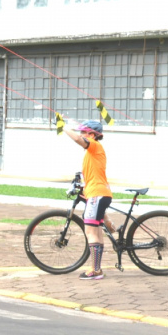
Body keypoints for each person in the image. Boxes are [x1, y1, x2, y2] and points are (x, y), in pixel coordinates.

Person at [65, 120, 112, 280]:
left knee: (91, 232)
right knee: (97, 231)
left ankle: (96, 270)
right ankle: (96, 268)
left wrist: (63, 126)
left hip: (97, 194)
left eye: (84, 132)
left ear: (92, 135)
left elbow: (78, 140)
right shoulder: (93, 152)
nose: (81, 135)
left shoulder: (94, 145)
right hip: (99, 193)